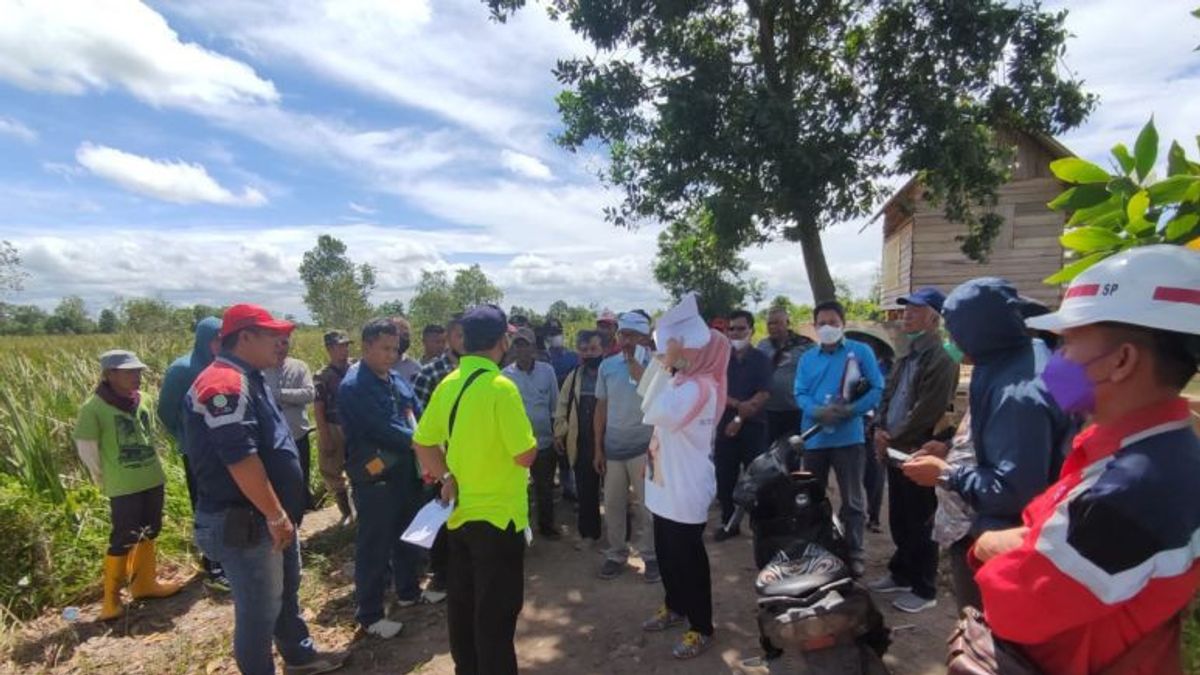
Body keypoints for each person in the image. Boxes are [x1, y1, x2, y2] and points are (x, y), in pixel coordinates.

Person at [971, 245, 1200, 674]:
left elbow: (1017, 606)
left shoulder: (1131, 489)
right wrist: (1030, 543)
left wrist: (987, 542)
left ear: (1121, 360)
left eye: (1068, 341)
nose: (1056, 361)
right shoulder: (1156, 450)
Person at [184, 304, 345, 675]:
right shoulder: (223, 384)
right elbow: (240, 459)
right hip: (247, 521)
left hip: (267, 519)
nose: (281, 342)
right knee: (258, 612)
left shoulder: (251, 376)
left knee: (283, 595)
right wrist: (274, 514)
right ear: (245, 338)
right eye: (272, 335)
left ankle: (299, 657)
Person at [902, 278, 1072, 609]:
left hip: (1004, 541)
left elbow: (1015, 490)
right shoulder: (1036, 354)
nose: (950, 339)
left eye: (954, 330)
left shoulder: (1019, 393)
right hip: (1041, 534)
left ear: (978, 330)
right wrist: (952, 446)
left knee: (986, 633)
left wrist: (947, 474)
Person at [412, 304, 537, 675]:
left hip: (460, 517)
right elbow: (525, 455)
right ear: (503, 341)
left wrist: (447, 476)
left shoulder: (449, 383)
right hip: (500, 520)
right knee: (496, 616)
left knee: (463, 609)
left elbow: (422, 442)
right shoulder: (502, 388)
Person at [639, 307, 730, 660]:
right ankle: (674, 606)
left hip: (685, 488)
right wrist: (667, 362)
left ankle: (701, 627)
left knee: (688, 559)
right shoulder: (681, 382)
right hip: (665, 485)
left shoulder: (701, 388)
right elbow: (645, 394)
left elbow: (653, 411)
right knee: (667, 553)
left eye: (690, 347)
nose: (683, 352)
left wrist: (669, 362)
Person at [337, 319, 432, 640]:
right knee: (374, 546)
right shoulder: (354, 387)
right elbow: (384, 428)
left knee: (407, 535)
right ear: (366, 348)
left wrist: (428, 438)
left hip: (405, 473)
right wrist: (424, 444)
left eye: (395, 348)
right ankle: (371, 615)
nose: (391, 355)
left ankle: (408, 592)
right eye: (385, 348)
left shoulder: (395, 379)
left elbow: (415, 414)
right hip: (375, 478)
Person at [867, 288, 958, 614]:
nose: (906, 314)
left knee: (921, 519)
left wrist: (891, 437)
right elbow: (887, 397)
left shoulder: (942, 358)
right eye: (906, 309)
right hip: (894, 447)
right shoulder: (906, 356)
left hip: (919, 450)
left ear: (934, 317)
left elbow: (927, 410)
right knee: (901, 517)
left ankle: (924, 587)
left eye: (915, 310)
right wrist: (878, 428)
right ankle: (901, 572)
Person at [76, 349, 182, 621]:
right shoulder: (94, 408)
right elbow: (87, 448)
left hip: (151, 477)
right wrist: (103, 475)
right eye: (129, 372)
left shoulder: (143, 399)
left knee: (150, 529)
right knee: (124, 535)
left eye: (138, 371)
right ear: (110, 374)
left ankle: (144, 584)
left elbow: (150, 435)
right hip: (123, 483)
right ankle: (110, 600)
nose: (137, 377)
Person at [794, 300, 884, 577]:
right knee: (812, 499)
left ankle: (855, 553)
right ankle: (816, 551)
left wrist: (850, 410)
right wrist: (817, 411)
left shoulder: (860, 352)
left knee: (853, 502)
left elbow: (877, 387)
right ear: (814, 326)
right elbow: (800, 393)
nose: (827, 328)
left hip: (849, 438)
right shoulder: (807, 358)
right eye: (822, 323)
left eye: (833, 322)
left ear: (843, 324)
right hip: (815, 439)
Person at [157, 316, 229, 590]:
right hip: (199, 452)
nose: (222, 345)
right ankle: (212, 564)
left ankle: (227, 557)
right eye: (217, 340)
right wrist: (184, 435)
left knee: (226, 503)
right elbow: (165, 410)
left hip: (224, 447)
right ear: (204, 340)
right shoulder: (182, 370)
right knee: (204, 503)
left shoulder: (223, 366)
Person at [595, 312, 658, 582]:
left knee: (648, 508)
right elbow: (601, 407)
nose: (626, 340)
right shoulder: (607, 366)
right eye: (623, 335)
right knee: (613, 504)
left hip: (644, 448)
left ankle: (651, 556)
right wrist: (598, 448)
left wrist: (635, 362)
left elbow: (655, 396)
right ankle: (616, 553)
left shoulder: (659, 365)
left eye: (632, 335)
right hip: (613, 449)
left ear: (645, 337)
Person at [713, 309, 772, 541]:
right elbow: (716, 390)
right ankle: (729, 523)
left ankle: (761, 526)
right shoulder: (720, 360)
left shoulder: (761, 360)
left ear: (751, 330)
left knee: (757, 479)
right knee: (725, 477)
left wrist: (740, 417)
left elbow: (764, 393)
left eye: (741, 328)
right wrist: (738, 406)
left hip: (754, 428)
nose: (736, 333)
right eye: (731, 329)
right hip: (724, 427)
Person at [503, 327, 561, 539]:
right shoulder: (505, 376)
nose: (521, 349)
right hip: (517, 444)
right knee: (520, 490)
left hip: (544, 441)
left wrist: (557, 434)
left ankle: (546, 527)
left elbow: (555, 405)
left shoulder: (547, 371)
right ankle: (520, 530)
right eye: (517, 345)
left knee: (544, 487)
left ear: (533, 348)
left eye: (525, 344)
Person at [554, 330, 605, 548]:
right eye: (584, 350)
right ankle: (589, 535)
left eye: (593, 349)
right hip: (582, 442)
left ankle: (620, 540)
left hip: (610, 441)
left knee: (615, 494)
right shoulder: (574, 376)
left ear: (603, 349)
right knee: (586, 491)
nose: (588, 354)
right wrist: (560, 433)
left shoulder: (611, 373)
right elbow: (562, 406)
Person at [264, 336, 315, 511]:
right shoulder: (260, 369)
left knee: (301, 478)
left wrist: (278, 394)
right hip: (272, 440)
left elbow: (309, 394)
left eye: (284, 343)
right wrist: (291, 397)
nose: (280, 347)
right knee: (277, 482)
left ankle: (300, 517)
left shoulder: (299, 367)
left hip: (298, 435)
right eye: (275, 343)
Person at [313, 330, 354, 524]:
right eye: (340, 346)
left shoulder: (357, 367)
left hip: (356, 424)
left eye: (346, 345)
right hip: (334, 425)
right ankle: (346, 512)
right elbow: (319, 407)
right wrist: (325, 435)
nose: (344, 350)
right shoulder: (322, 376)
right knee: (332, 470)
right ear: (329, 349)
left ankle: (361, 508)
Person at [756, 307, 812, 443]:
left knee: (794, 453)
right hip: (768, 411)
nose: (773, 327)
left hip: (795, 410)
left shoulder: (806, 346)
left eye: (777, 323)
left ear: (787, 323)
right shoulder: (763, 346)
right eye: (770, 323)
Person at [542, 316, 579, 503]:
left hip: (567, 412)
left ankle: (568, 488)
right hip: (545, 414)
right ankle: (546, 487)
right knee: (547, 454)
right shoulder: (542, 359)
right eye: (551, 334)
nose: (555, 337)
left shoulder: (573, 356)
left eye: (557, 333)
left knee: (565, 452)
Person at [413, 314, 465, 408]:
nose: (464, 341)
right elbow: (418, 416)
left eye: (470, 336)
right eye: (460, 336)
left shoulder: (481, 372)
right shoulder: (429, 373)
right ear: (448, 337)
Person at [390, 316, 421, 383]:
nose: (403, 339)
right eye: (399, 334)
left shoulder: (414, 367)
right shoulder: (373, 366)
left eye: (406, 335)